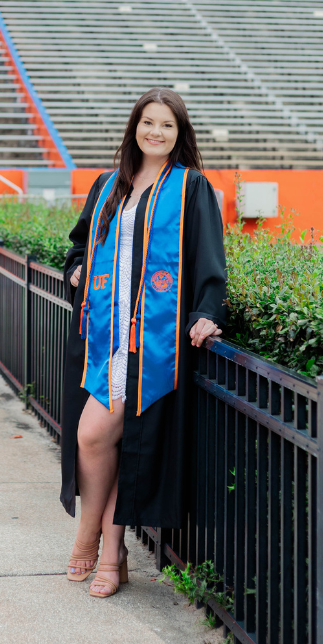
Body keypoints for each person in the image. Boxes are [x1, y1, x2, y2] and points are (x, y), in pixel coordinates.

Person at [60, 87, 227, 598]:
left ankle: (103, 551)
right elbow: (77, 245)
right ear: (135, 127)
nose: (156, 131)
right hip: (106, 339)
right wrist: (76, 270)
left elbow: (209, 261)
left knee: (119, 442)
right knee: (95, 437)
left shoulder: (190, 188)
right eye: (148, 122)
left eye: (167, 125)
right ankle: (107, 547)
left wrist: (206, 313)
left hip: (153, 345)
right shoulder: (109, 186)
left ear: (180, 134)